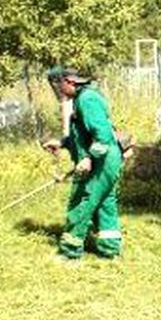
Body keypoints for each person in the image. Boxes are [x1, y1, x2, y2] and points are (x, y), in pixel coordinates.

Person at [42, 67, 124, 260]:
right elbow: (82, 136)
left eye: (58, 85)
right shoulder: (82, 99)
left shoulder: (87, 100)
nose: (59, 90)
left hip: (102, 161)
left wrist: (88, 158)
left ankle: (70, 252)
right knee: (104, 203)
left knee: (82, 201)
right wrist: (61, 143)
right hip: (105, 160)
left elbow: (103, 135)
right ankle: (110, 250)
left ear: (69, 82)